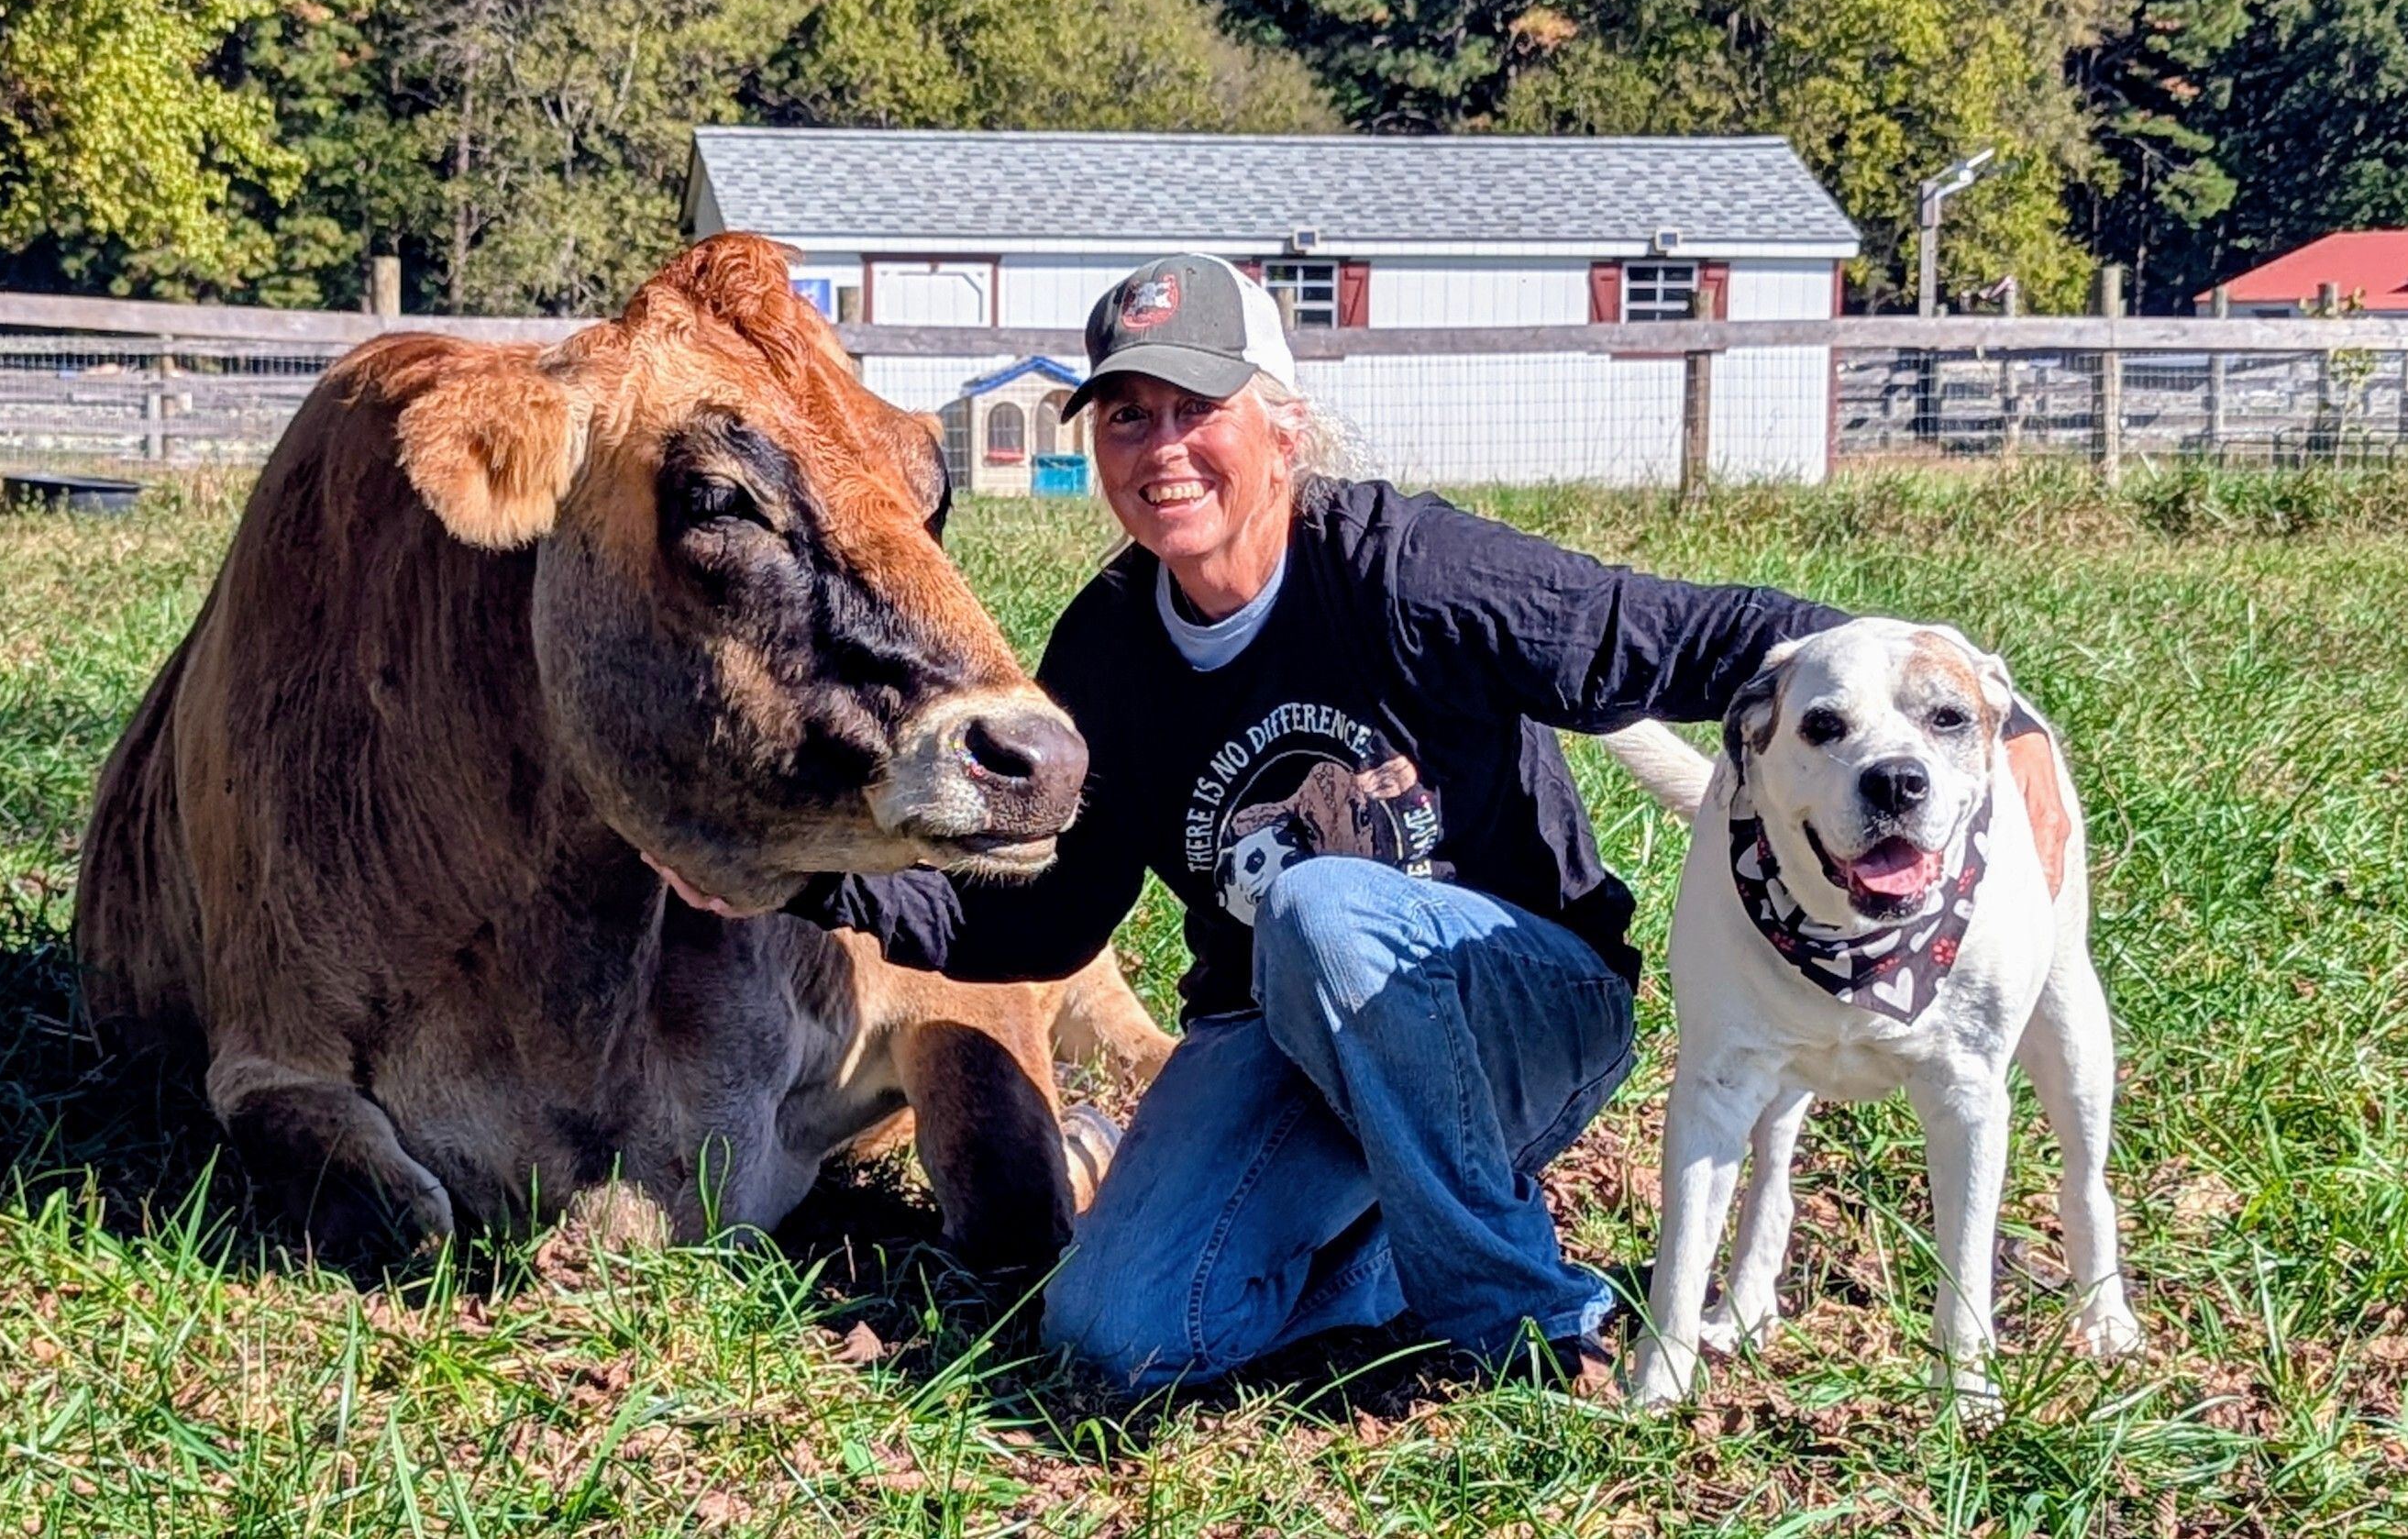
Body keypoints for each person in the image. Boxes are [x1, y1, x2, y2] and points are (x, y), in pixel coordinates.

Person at [779, 253, 1846, 1390]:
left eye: (1199, 409)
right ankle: (1393, 1252)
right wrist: (811, 879)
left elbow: (1673, 636)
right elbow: (1050, 921)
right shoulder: (1107, 649)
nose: (1162, 448)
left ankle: (1525, 1314)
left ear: (1282, 427)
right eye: (1129, 416)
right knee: (1115, 1330)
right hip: (1285, 1035)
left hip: (1524, 1007)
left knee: (1318, 903)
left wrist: (1940, 700)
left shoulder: (1403, 570)